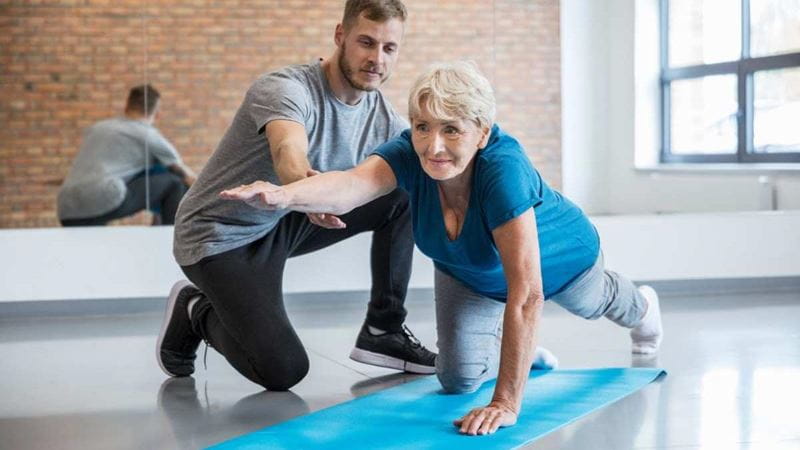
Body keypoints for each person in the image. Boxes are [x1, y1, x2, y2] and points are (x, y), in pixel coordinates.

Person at [220, 61, 664, 436]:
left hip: (560, 263)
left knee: (593, 304)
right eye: (422, 127)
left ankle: (643, 307)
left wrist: (507, 402)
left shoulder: (504, 171)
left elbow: (527, 294)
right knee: (456, 381)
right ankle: (524, 353)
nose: (433, 146)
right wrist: (286, 195)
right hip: (467, 270)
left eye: (452, 130)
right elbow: (352, 186)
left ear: (482, 133)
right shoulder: (408, 153)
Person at [158, 0, 436, 392]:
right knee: (283, 371)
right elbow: (289, 151)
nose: (377, 59)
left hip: (282, 222)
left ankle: (383, 329)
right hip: (218, 237)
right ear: (340, 36)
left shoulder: (383, 118)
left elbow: (430, 165)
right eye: (366, 42)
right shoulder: (285, 88)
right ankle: (194, 309)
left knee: (405, 190)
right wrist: (298, 193)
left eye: (389, 48)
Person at [57, 84, 196, 226]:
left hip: (66, 207)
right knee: (174, 183)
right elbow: (184, 174)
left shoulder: (98, 128)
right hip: (101, 201)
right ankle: (169, 240)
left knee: (154, 174)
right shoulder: (146, 133)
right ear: (157, 112)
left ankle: (157, 229)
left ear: (127, 106)